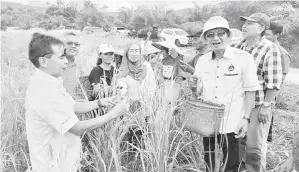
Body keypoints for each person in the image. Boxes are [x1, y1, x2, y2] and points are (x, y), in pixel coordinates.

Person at [25, 32, 128, 172]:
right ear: (44, 61)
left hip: (65, 160)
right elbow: (77, 128)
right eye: (61, 56)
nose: (66, 61)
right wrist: (112, 115)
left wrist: (101, 102)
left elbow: (73, 106)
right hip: (52, 166)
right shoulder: (43, 91)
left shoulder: (53, 82)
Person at [191, 16, 261, 172]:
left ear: (228, 36)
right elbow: (197, 91)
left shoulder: (243, 59)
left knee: (231, 164)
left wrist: (245, 119)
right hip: (207, 124)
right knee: (210, 162)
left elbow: (251, 91)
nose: (215, 38)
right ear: (206, 39)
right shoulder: (202, 61)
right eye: (210, 35)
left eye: (220, 33)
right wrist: (193, 87)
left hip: (233, 124)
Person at [232, 13, 283, 172]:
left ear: (261, 28)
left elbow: (274, 82)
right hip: (239, 104)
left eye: (249, 23)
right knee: (238, 143)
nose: (244, 26)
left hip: (258, 104)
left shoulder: (270, 48)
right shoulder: (239, 45)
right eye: (244, 23)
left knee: (254, 147)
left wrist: (266, 105)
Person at [265, 21, 292, 142]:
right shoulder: (263, 48)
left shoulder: (282, 53)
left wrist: (269, 100)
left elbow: (280, 79)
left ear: (276, 35)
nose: (264, 37)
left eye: (267, 34)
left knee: (264, 126)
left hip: (268, 95)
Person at [61, 32, 83, 99]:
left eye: (76, 44)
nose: (73, 46)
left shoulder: (82, 68)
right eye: (69, 43)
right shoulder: (53, 67)